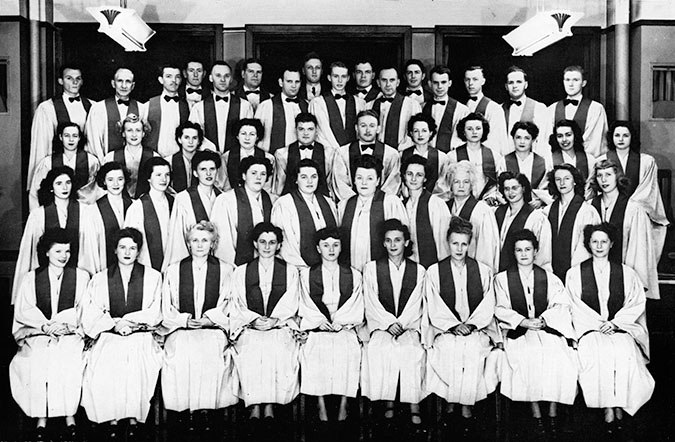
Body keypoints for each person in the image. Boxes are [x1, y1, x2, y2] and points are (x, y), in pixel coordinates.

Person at [565, 223, 654, 435]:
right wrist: (597, 324)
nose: (599, 245)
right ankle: (607, 409)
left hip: (619, 328)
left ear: (611, 244)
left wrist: (615, 323)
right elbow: (573, 305)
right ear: (588, 244)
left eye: (604, 241)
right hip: (590, 329)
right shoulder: (575, 273)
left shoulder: (627, 273)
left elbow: (636, 303)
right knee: (598, 352)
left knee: (625, 352)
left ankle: (620, 407)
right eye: (594, 241)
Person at [494, 229, 578, 438]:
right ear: (513, 253)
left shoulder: (549, 278)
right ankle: (536, 416)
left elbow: (561, 305)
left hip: (546, 330)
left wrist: (544, 320)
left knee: (557, 355)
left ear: (536, 251)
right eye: (519, 250)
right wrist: (522, 321)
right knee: (528, 356)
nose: (523, 254)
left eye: (528, 249)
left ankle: (552, 414)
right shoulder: (502, 280)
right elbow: (499, 308)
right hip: (518, 332)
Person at [80, 228, 163, 438]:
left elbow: (155, 311)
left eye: (133, 248)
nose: (127, 252)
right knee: (108, 356)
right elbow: (91, 312)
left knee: (136, 357)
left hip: (140, 334)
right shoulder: (100, 279)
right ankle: (113, 418)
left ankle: (133, 417)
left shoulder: (152, 277)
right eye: (123, 247)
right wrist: (114, 325)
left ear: (139, 251)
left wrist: (130, 322)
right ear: (115, 250)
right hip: (109, 333)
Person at [10, 228, 90, 442]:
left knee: (67, 356)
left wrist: (66, 325)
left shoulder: (81, 277)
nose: (64, 256)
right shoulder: (30, 279)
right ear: (46, 252)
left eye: (67, 251)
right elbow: (24, 311)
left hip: (69, 333)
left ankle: (69, 416)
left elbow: (85, 309)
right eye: (58, 252)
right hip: (38, 333)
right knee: (37, 359)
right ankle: (41, 418)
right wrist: (44, 327)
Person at [160, 221, 237, 431]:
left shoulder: (226, 270)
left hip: (212, 328)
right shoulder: (174, 270)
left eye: (205, 240)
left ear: (213, 244)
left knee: (210, 350)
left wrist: (209, 319)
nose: (200, 245)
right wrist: (184, 320)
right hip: (181, 329)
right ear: (188, 243)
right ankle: (187, 412)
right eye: (195, 240)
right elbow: (166, 306)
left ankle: (207, 411)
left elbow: (229, 302)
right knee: (182, 351)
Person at [424, 217, 498, 436]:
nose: (459, 248)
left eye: (464, 244)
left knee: (472, 350)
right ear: (448, 242)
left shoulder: (483, 271)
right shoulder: (434, 272)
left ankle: (464, 409)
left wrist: (472, 324)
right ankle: (451, 405)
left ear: (470, 244)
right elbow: (433, 304)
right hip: (446, 329)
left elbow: (488, 304)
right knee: (449, 350)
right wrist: (454, 325)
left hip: (476, 329)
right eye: (455, 243)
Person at [228, 222, 301, 426]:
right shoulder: (241, 272)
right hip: (251, 326)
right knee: (252, 347)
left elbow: (292, 300)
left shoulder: (290, 271)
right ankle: (254, 405)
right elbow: (237, 302)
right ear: (255, 244)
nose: (267, 247)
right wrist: (253, 319)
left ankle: (269, 404)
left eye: (272, 242)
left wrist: (275, 320)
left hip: (279, 326)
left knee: (277, 346)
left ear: (278, 245)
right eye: (262, 242)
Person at [360, 219, 428, 434]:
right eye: (388, 241)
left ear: (406, 242)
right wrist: (388, 323)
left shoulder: (418, 271)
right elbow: (370, 300)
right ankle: (388, 402)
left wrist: (403, 323)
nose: (393, 245)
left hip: (408, 325)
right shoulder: (371, 269)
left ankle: (413, 404)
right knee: (380, 349)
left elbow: (418, 301)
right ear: (383, 243)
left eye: (398, 240)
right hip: (382, 326)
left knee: (412, 350)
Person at [297, 227, 364, 425]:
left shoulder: (353, 274)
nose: (331, 250)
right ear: (318, 248)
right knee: (316, 348)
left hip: (343, 327)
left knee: (348, 348)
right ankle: (321, 404)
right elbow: (305, 303)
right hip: (318, 327)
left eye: (335, 245)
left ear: (341, 247)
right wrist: (319, 323)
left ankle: (344, 402)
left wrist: (341, 322)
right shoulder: (307, 275)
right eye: (326, 245)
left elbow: (355, 302)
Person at [12, 167, 91, 304]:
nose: (64, 187)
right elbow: (30, 253)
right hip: (47, 274)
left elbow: (89, 250)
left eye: (68, 182)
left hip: (77, 274)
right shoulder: (38, 215)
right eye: (58, 183)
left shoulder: (85, 212)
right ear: (51, 188)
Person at [595, 120, 669, 262]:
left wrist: (629, 206)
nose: (621, 139)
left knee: (635, 257)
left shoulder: (647, 161)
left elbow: (648, 191)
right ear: (612, 138)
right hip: (609, 211)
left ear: (632, 137)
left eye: (625, 135)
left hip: (635, 213)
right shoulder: (601, 160)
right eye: (617, 135)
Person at [589, 159, 659, 299]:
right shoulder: (590, 206)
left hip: (623, 273)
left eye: (608, 175)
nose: (604, 180)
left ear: (617, 177)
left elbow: (638, 249)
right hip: (594, 274)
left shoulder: (633, 209)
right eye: (599, 175)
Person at [337, 155, 408, 271]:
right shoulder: (344, 205)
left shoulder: (390, 202)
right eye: (359, 178)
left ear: (378, 181)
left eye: (370, 178)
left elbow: (401, 240)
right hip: (350, 272)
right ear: (354, 180)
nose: (364, 183)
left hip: (382, 272)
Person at [28, 65, 93, 188]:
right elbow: (41, 146)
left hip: (84, 165)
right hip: (58, 165)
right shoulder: (47, 108)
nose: (74, 82)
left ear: (82, 81)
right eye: (69, 78)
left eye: (78, 78)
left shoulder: (92, 106)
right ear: (60, 81)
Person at [271, 159, 338, 268]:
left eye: (313, 177)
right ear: (296, 180)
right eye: (304, 177)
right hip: (298, 268)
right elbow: (286, 245)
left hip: (327, 268)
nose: (309, 181)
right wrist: (303, 269)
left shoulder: (328, 202)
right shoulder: (284, 204)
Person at [164, 150, 222, 268]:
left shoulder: (223, 198)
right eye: (203, 169)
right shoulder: (183, 199)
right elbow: (178, 238)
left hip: (216, 262)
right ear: (195, 173)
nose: (208, 173)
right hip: (191, 261)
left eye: (212, 169)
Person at [212, 156, 274, 266]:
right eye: (253, 173)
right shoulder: (226, 200)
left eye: (263, 174)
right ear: (244, 175)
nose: (258, 178)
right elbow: (223, 242)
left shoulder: (272, 200)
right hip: (234, 266)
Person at [542, 164, 600, 280]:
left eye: (567, 178)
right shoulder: (547, 211)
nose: (562, 183)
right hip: (551, 272)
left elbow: (586, 247)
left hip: (577, 272)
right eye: (558, 179)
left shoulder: (587, 211)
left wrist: (574, 271)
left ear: (574, 181)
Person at [442, 161, 500, 272]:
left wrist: (482, 274)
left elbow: (487, 249)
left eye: (466, 182)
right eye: (456, 182)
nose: (461, 186)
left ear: (472, 184)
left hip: (473, 271)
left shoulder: (482, 211)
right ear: (450, 184)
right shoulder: (444, 208)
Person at [332, 109, 402, 201]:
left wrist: (377, 202)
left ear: (378, 129)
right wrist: (357, 203)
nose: (368, 130)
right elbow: (340, 183)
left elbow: (392, 184)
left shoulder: (391, 154)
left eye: (372, 126)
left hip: (380, 205)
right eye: (363, 126)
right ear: (356, 128)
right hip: (352, 205)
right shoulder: (342, 152)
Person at [29, 121, 100, 211]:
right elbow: (35, 191)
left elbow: (96, 191)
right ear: (60, 137)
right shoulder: (48, 162)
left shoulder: (92, 161)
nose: (71, 140)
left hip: (84, 210)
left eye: (74, 136)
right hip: (55, 209)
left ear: (79, 138)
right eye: (67, 135)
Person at [188, 61, 254, 153]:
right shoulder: (199, 107)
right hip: (208, 160)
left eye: (226, 76)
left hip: (237, 159)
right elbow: (194, 136)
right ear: (211, 78)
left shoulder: (245, 106)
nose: (223, 80)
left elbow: (250, 136)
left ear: (231, 79)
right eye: (218, 75)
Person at [545, 65, 608, 158]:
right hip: (558, 161)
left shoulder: (595, 108)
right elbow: (547, 139)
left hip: (585, 161)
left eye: (575, 80)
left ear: (583, 83)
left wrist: (575, 159)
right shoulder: (552, 109)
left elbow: (595, 141)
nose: (570, 84)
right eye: (567, 80)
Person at [85, 67, 146, 160]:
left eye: (128, 82)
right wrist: (103, 164)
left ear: (133, 86)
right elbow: (94, 141)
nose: (124, 86)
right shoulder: (99, 108)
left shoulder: (142, 108)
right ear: (113, 83)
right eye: (120, 81)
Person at [401, 155, 451, 267]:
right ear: (404, 176)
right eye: (409, 174)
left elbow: (443, 244)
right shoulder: (401, 205)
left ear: (425, 178)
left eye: (419, 175)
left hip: (432, 267)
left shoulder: (436, 204)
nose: (413, 179)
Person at [124, 158, 174, 271]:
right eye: (158, 175)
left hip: (173, 265)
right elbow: (130, 242)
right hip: (147, 266)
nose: (164, 179)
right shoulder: (137, 208)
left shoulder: (175, 203)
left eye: (167, 174)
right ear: (148, 178)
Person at [495, 172, 552, 272]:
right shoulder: (497, 213)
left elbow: (543, 255)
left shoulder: (537, 218)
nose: (510, 193)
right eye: (506, 189)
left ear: (524, 188)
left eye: (514, 188)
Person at [86, 162, 133, 273]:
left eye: (120, 179)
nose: (116, 184)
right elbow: (92, 247)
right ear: (104, 181)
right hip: (105, 266)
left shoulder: (135, 206)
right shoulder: (94, 210)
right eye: (110, 179)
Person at [447, 112, 505, 202]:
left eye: (478, 128)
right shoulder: (452, 156)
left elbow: (498, 183)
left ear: (483, 130)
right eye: (469, 129)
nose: (474, 132)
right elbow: (447, 184)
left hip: (487, 202)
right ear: (463, 132)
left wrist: (491, 196)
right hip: (461, 201)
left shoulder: (495, 156)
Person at [273, 112, 333, 196]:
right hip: (292, 201)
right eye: (301, 129)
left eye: (310, 129)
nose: (305, 133)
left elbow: (329, 183)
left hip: (320, 200)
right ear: (295, 130)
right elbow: (280, 183)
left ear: (316, 131)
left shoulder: (329, 153)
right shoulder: (282, 154)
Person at [309, 61, 366, 151]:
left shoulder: (359, 103)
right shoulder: (317, 102)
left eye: (343, 76)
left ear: (348, 78)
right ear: (329, 78)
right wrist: (339, 150)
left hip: (352, 153)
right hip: (327, 151)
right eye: (336, 76)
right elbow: (323, 131)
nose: (340, 81)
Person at [102, 113, 159, 198]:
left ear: (143, 133)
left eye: (138, 130)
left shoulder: (154, 157)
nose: (134, 134)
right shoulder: (110, 157)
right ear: (123, 133)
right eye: (129, 130)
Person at [254, 67, 308, 153]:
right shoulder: (266, 106)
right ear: (281, 82)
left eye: (297, 82)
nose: (293, 86)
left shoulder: (306, 105)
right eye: (289, 81)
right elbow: (255, 135)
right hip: (272, 158)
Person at [368, 67, 421, 149]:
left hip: (402, 153)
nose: (388, 84)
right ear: (378, 83)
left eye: (392, 80)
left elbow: (417, 133)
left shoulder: (411, 105)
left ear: (398, 82)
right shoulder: (370, 105)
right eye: (384, 80)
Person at [216, 118, 275, 193]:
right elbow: (222, 185)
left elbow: (268, 187)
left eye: (252, 134)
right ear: (237, 136)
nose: (247, 138)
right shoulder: (226, 157)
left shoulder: (268, 158)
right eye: (243, 134)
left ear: (257, 137)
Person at [144, 64, 190, 157]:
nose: (174, 80)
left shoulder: (187, 106)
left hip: (179, 158)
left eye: (177, 77)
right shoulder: (148, 105)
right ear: (161, 80)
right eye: (169, 76)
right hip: (153, 158)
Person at [463, 66, 509, 156]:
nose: (470, 83)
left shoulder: (493, 108)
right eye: (467, 80)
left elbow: (497, 141)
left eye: (475, 79)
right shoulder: (462, 107)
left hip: (486, 158)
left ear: (483, 81)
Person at [504, 121, 552, 207]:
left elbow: (547, 189)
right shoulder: (504, 161)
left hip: (535, 207)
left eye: (527, 138)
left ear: (533, 140)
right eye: (518, 137)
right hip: (510, 206)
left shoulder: (543, 163)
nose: (522, 142)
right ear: (513, 139)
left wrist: (540, 201)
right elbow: (498, 189)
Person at [422, 65, 469, 152]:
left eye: (443, 82)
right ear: (429, 84)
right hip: (425, 156)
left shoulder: (461, 110)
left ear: (449, 83)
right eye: (436, 83)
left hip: (450, 157)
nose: (439, 86)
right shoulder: (422, 107)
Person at [400, 113, 450, 194]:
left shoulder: (442, 157)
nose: (420, 135)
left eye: (424, 130)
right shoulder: (402, 155)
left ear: (430, 132)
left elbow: (443, 186)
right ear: (411, 133)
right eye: (416, 131)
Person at [501, 66, 548, 140]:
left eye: (519, 82)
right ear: (506, 86)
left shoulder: (539, 108)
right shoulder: (498, 109)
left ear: (526, 85)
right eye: (511, 83)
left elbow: (542, 140)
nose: (515, 86)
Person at [548, 119, 596, 183]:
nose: (564, 139)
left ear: (575, 135)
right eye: (560, 136)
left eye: (568, 135)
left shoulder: (589, 159)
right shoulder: (549, 160)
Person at [166, 121, 204, 193]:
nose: (190, 142)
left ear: (199, 141)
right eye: (186, 137)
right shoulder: (169, 161)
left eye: (194, 138)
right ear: (179, 139)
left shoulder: (206, 161)